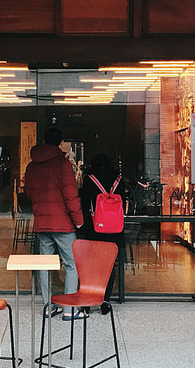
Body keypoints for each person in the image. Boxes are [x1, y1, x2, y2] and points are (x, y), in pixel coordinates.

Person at [24, 127, 85, 321]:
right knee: (71, 264)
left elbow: (29, 192)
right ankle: (69, 309)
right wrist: (79, 221)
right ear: (60, 143)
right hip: (63, 224)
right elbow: (70, 195)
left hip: (42, 223)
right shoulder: (62, 164)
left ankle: (48, 307)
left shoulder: (32, 166)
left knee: (45, 264)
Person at [81, 153, 126, 309]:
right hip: (115, 229)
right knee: (110, 265)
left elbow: (85, 204)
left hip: (95, 229)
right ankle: (105, 300)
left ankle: (89, 299)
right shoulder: (118, 180)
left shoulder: (89, 180)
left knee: (92, 265)